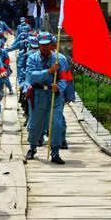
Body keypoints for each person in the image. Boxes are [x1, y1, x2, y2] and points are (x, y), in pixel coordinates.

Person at [24, 32, 70, 164]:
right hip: (39, 95)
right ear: (38, 45)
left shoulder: (60, 59)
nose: (44, 48)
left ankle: (55, 152)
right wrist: (48, 71)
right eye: (41, 45)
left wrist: (59, 87)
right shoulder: (32, 58)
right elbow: (31, 76)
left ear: (52, 45)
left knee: (56, 123)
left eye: (47, 45)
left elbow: (65, 78)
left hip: (54, 96)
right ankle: (32, 148)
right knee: (35, 124)